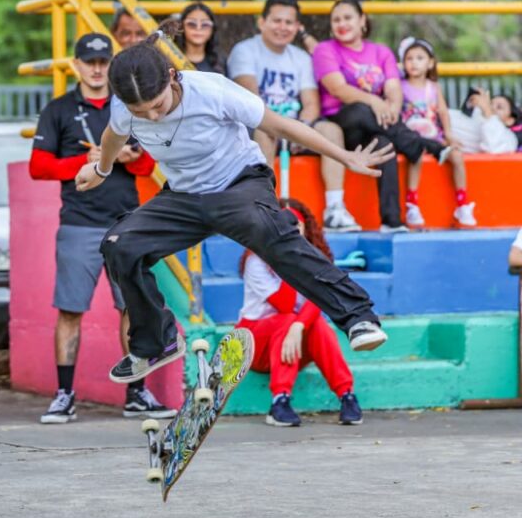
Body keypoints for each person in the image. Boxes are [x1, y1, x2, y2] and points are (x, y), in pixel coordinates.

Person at [74, 19, 392, 384]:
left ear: (173, 77)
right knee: (119, 245)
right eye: (141, 112)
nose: (152, 116)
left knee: (268, 230)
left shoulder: (212, 91)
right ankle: (155, 342)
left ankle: (357, 316)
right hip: (183, 197)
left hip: (239, 183)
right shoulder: (125, 106)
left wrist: (343, 156)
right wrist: (101, 168)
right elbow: (113, 135)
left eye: (157, 105)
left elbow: (279, 125)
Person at [29, 32, 173, 423]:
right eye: (88, 62)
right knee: (70, 310)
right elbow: (38, 166)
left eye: (103, 62)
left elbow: (146, 165)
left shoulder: (129, 103)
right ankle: (63, 394)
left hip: (126, 222)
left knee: (131, 308)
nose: (96, 69)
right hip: (78, 223)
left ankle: (137, 393)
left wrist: (120, 157)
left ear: (111, 64)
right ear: (76, 64)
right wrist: (84, 159)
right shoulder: (58, 109)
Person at [313, 0, 449, 232]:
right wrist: (376, 101)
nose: (341, 24)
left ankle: (391, 220)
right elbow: (338, 89)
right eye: (336, 19)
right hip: (342, 122)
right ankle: (418, 143)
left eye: (347, 18)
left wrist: (392, 107)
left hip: (377, 125)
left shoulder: (380, 52)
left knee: (385, 145)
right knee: (361, 109)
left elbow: (394, 89)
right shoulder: (325, 50)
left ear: (362, 21)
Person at [227, 0, 358, 232]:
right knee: (266, 130)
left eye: (289, 22)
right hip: (261, 125)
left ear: (298, 27)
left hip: (294, 128)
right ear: (262, 22)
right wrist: (284, 129)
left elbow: (311, 103)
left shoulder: (300, 58)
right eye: (277, 21)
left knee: (330, 129)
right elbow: (251, 100)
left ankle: (335, 209)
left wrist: (300, 130)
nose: (283, 27)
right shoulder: (244, 51)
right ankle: (263, 207)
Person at [236, 198, 363, 427]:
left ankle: (347, 396)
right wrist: (288, 261)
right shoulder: (255, 260)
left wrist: (298, 325)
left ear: (304, 229)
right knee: (288, 318)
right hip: (253, 344)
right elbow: (284, 305)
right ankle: (279, 400)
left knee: (318, 325)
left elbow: (318, 302)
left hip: (291, 343)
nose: (289, 230)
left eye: (295, 225)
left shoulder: (315, 260)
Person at [397, 37, 476, 229]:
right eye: (409, 58)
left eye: (419, 58)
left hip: (435, 136)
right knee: (416, 156)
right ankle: (412, 204)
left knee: (456, 156)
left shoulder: (433, 88)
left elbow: (442, 111)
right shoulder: (400, 86)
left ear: (430, 63)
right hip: (412, 137)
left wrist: (448, 134)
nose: (414, 62)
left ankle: (462, 204)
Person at [450, 89, 521, 154]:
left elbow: (493, 148)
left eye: (499, 107)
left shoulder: (510, 139)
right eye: (490, 103)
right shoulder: (478, 117)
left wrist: (487, 110)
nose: (492, 108)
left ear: (510, 120)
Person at [174, 2, 226, 75]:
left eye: (205, 24)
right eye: (192, 24)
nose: (198, 28)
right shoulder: (169, 58)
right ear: (181, 26)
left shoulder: (222, 62)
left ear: (212, 29)